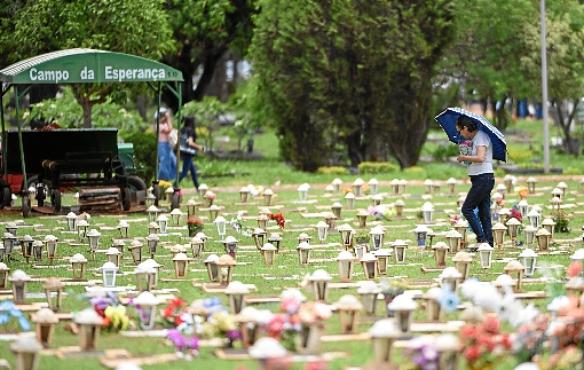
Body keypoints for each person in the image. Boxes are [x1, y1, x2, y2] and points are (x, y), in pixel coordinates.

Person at [456, 116, 495, 247]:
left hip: (484, 178)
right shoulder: (474, 139)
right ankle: (488, 243)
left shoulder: (481, 137)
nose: (459, 133)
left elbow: (480, 157)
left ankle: (481, 239)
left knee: (467, 209)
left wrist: (463, 157)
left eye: (459, 131)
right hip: (479, 178)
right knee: (484, 213)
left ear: (465, 128)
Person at [179, 116, 204, 191]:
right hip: (188, 153)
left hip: (183, 151)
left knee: (193, 172)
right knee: (184, 173)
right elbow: (190, 143)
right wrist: (199, 147)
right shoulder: (190, 130)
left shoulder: (182, 130)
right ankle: (173, 186)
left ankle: (198, 187)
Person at [156, 108, 177, 181]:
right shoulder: (159, 125)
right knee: (164, 162)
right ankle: (161, 179)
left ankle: (168, 178)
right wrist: (168, 119)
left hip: (167, 145)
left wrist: (168, 119)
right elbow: (169, 129)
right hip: (162, 144)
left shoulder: (164, 124)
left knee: (173, 161)